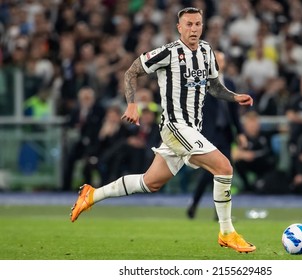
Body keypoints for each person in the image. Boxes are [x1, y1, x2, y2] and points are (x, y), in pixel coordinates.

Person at [70, 7, 256, 253]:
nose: (193, 29)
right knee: (224, 167)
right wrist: (132, 104)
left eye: (197, 24)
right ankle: (227, 232)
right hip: (174, 127)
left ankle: (92, 195)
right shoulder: (168, 53)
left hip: (192, 130)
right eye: (188, 24)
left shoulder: (207, 51)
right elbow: (131, 71)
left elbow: (213, 86)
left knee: (150, 183)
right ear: (179, 27)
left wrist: (234, 97)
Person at [186, 50, 247, 219]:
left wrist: (240, 133)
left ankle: (215, 212)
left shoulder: (230, 83)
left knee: (224, 171)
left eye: (221, 59)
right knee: (210, 172)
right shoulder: (200, 83)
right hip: (208, 134)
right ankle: (197, 204)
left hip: (225, 133)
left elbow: (234, 112)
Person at [232, 110, 277, 194]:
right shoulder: (241, 138)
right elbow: (233, 154)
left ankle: (260, 184)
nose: (253, 127)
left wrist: (254, 155)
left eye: (255, 123)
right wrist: (244, 155)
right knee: (239, 163)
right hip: (249, 164)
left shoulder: (265, 135)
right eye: (250, 124)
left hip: (265, 165)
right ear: (245, 125)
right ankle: (247, 186)